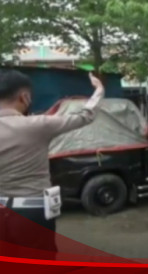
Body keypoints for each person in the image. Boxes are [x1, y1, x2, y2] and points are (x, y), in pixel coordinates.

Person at [0, 70, 104, 259]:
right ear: (24, 97)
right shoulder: (37, 125)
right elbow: (86, 115)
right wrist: (99, 90)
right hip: (32, 214)